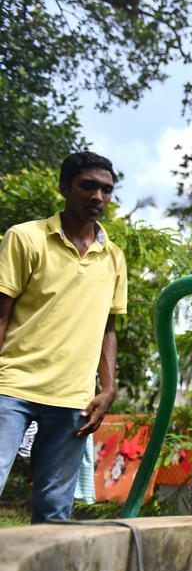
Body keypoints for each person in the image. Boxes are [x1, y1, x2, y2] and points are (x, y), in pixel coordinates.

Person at [0, 151, 127, 523]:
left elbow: (108, 327)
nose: (98, 197)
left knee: (55, 512)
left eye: (106, 190)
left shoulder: (113, 257)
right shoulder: (26, 238)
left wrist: (108, 388)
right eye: (88, 186)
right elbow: (2, 313)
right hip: (12, 386)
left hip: (74, 398)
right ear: (64, 188)